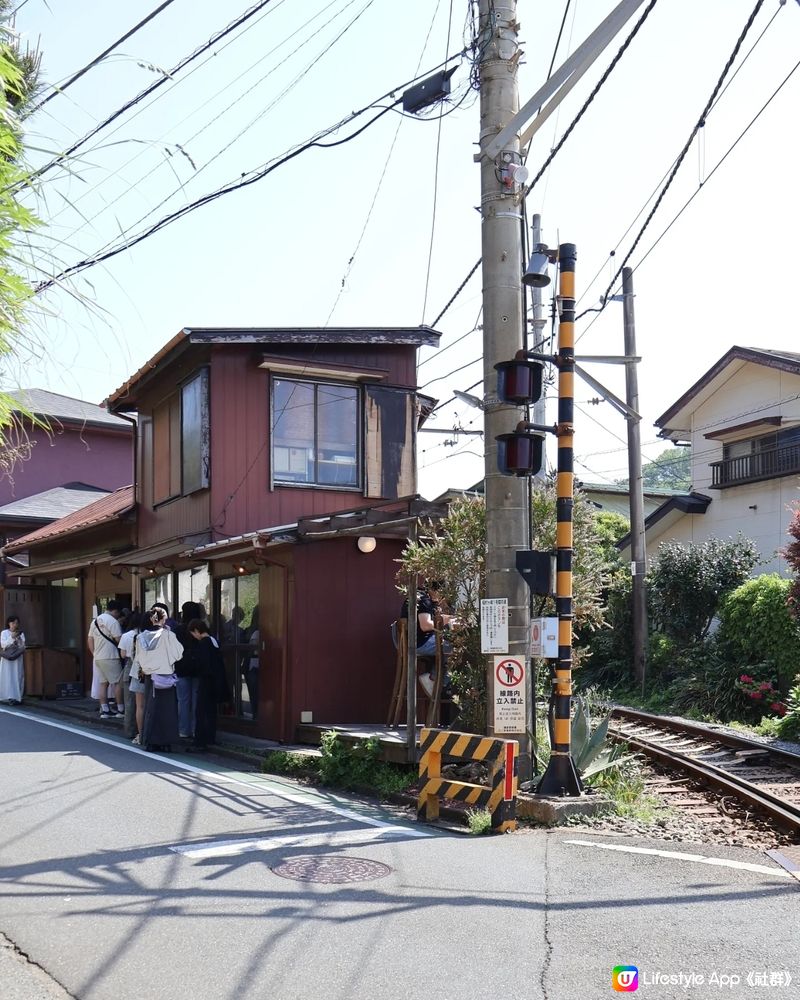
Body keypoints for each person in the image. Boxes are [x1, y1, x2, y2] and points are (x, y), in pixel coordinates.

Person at [136, 606, 183, 751]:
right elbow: (178, 653)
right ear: (163, 619)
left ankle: (150, 740)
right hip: (166, 675)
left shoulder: (140, 637)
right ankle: (166, 741)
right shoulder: (168, 635)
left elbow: (139, 658)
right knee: (168, 710)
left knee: (151, 708)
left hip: (151, 676)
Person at [400, 581, 459, 696]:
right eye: (441, 594)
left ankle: (435, 678)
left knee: (446, 644)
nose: (440, 598)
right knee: (456, 646)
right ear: (435, 590)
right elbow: (425, 625)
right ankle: (435, 679)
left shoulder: (416, 597)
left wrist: (446, 618)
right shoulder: (423, 599)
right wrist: (447, 621)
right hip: (419, 643)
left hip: (412, 642)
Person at [187, 618, 230, 750]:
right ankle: (210, 737)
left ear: (196, 631)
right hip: (216, 681)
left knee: (201, 711)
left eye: (193, 633)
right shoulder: (213, 641)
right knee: (211, 711)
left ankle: (200, 741)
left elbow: (203, 665)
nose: (193, 637)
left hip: (206, 680)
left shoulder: (203, 644)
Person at [87, 599, 124, 719]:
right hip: (111, 656)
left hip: (98, 657)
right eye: (118, 613)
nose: (119, 616)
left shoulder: (95, 621)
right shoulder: (113, 622)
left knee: (103, 683)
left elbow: (90, 639)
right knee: (118, 683)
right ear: (115, 611)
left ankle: (105, 710)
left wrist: (94, 653)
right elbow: (119, 640)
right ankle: (120, 709)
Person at [174, 601, 204, 738]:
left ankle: (183, 730)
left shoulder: (178, 629)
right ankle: (196, 729)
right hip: (198, 667)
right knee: (197, 700)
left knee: (183, 700)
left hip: (181, 667)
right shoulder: (200, 627)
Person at [0, 615, 25, 705]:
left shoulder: (21, 633)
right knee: (7, 676)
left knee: (17, 676)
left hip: (17, 658)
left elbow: (22, 646)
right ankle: (6, 697)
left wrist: (18, 639)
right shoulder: (4, 633)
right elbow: (3, 645)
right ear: (9, 623)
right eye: (13, 622)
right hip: (7, 658)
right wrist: (12, 637)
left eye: (16, 623)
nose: (15, 625)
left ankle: (17, 697)